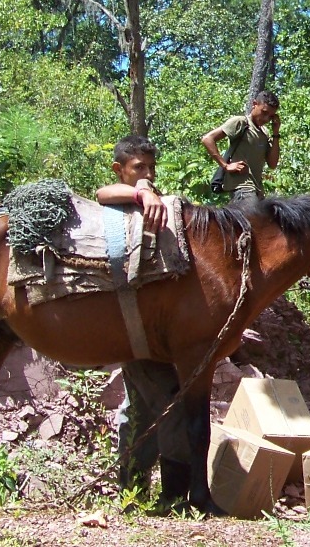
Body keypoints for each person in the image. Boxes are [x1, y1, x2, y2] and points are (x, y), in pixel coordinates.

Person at [94, 135, 190, 502]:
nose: (147, 174)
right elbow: (104, 194)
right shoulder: (121, 198)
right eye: (139, 168)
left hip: (149, 330)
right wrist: (141, 193)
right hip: (132, 329)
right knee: (166, 403)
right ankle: (172, 494)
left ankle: (132, 488)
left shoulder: (151, 202)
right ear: (120, 170)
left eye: (151, 167)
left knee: (139, 409)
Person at [201, 90, 281, 203]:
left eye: (271, 116)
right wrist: (226, 166)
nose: (266, 119)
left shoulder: (264, 132)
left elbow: (272, 164)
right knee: (252, 217)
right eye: (264, 112)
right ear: (254, 104)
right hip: (242, 188)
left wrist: (276, 133)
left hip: (257, 190)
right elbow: (207, 139)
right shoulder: (241, 123)